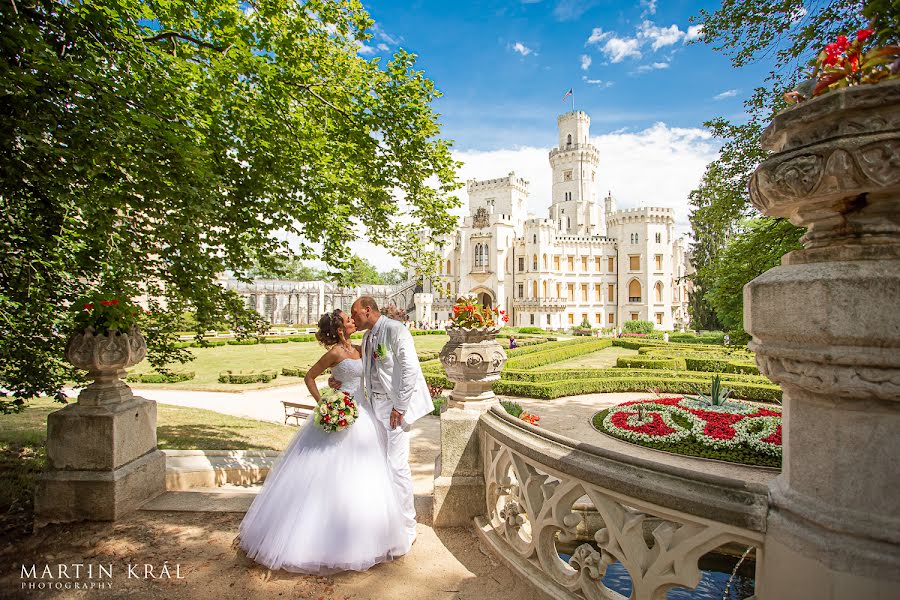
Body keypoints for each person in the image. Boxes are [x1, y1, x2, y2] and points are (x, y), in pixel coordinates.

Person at [237, 309, 411, 574]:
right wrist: (325, 403)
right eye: (347, 319)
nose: (353, 321)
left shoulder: (361, 348)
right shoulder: (335, 353)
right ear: (340, 329)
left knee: (364, 474)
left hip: (362, 414)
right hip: (341, 412)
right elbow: (309, 376)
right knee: (325, 473)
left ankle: (364, 534)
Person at [331, 296, 434, 547]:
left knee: (397, 465)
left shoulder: (395, 330)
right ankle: (387, 520)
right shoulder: (367, 338)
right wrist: (337, 381)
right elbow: (361, 370)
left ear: (368, 311)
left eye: (355, 315)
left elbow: (410, 368)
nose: (353, 320)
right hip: (373, 407)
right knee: (379, 463)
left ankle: (408, 526)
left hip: (395, 409)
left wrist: (400, 406)